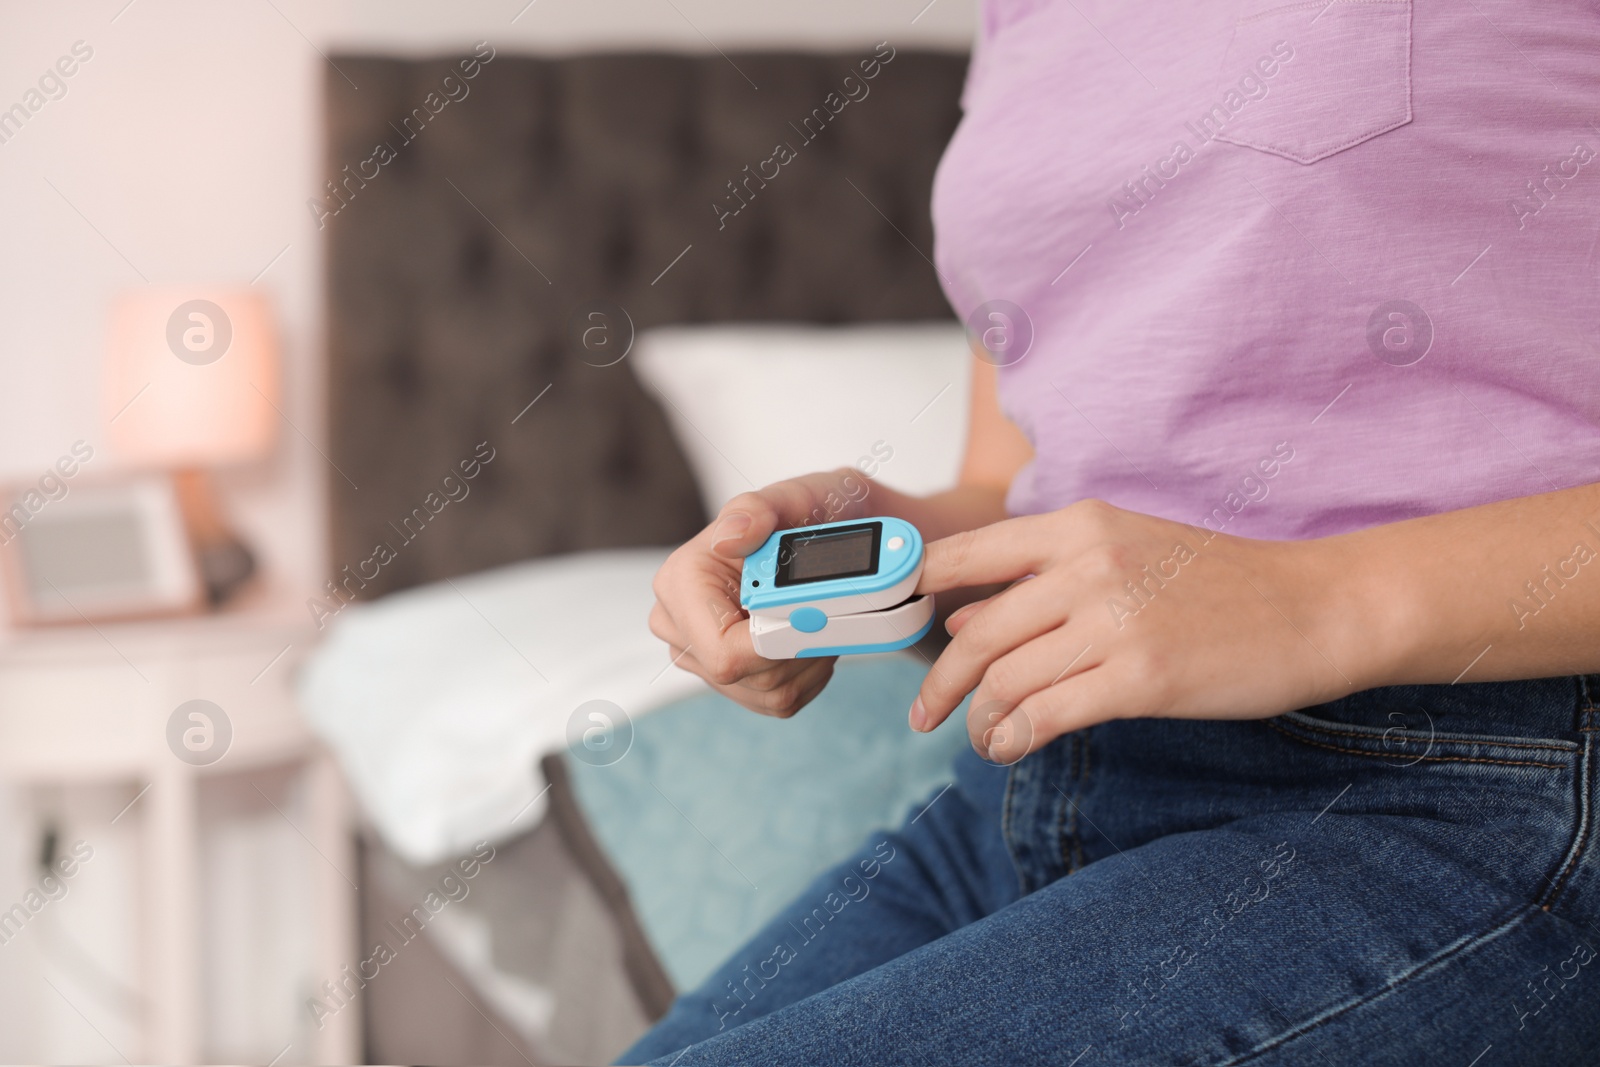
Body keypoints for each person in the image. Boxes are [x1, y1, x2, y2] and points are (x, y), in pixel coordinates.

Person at [628, 1, 1600, 1062]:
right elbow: (1019, 487)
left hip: (1469, 791)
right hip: (1039, 768)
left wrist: (1320, 599)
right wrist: (898, 539)